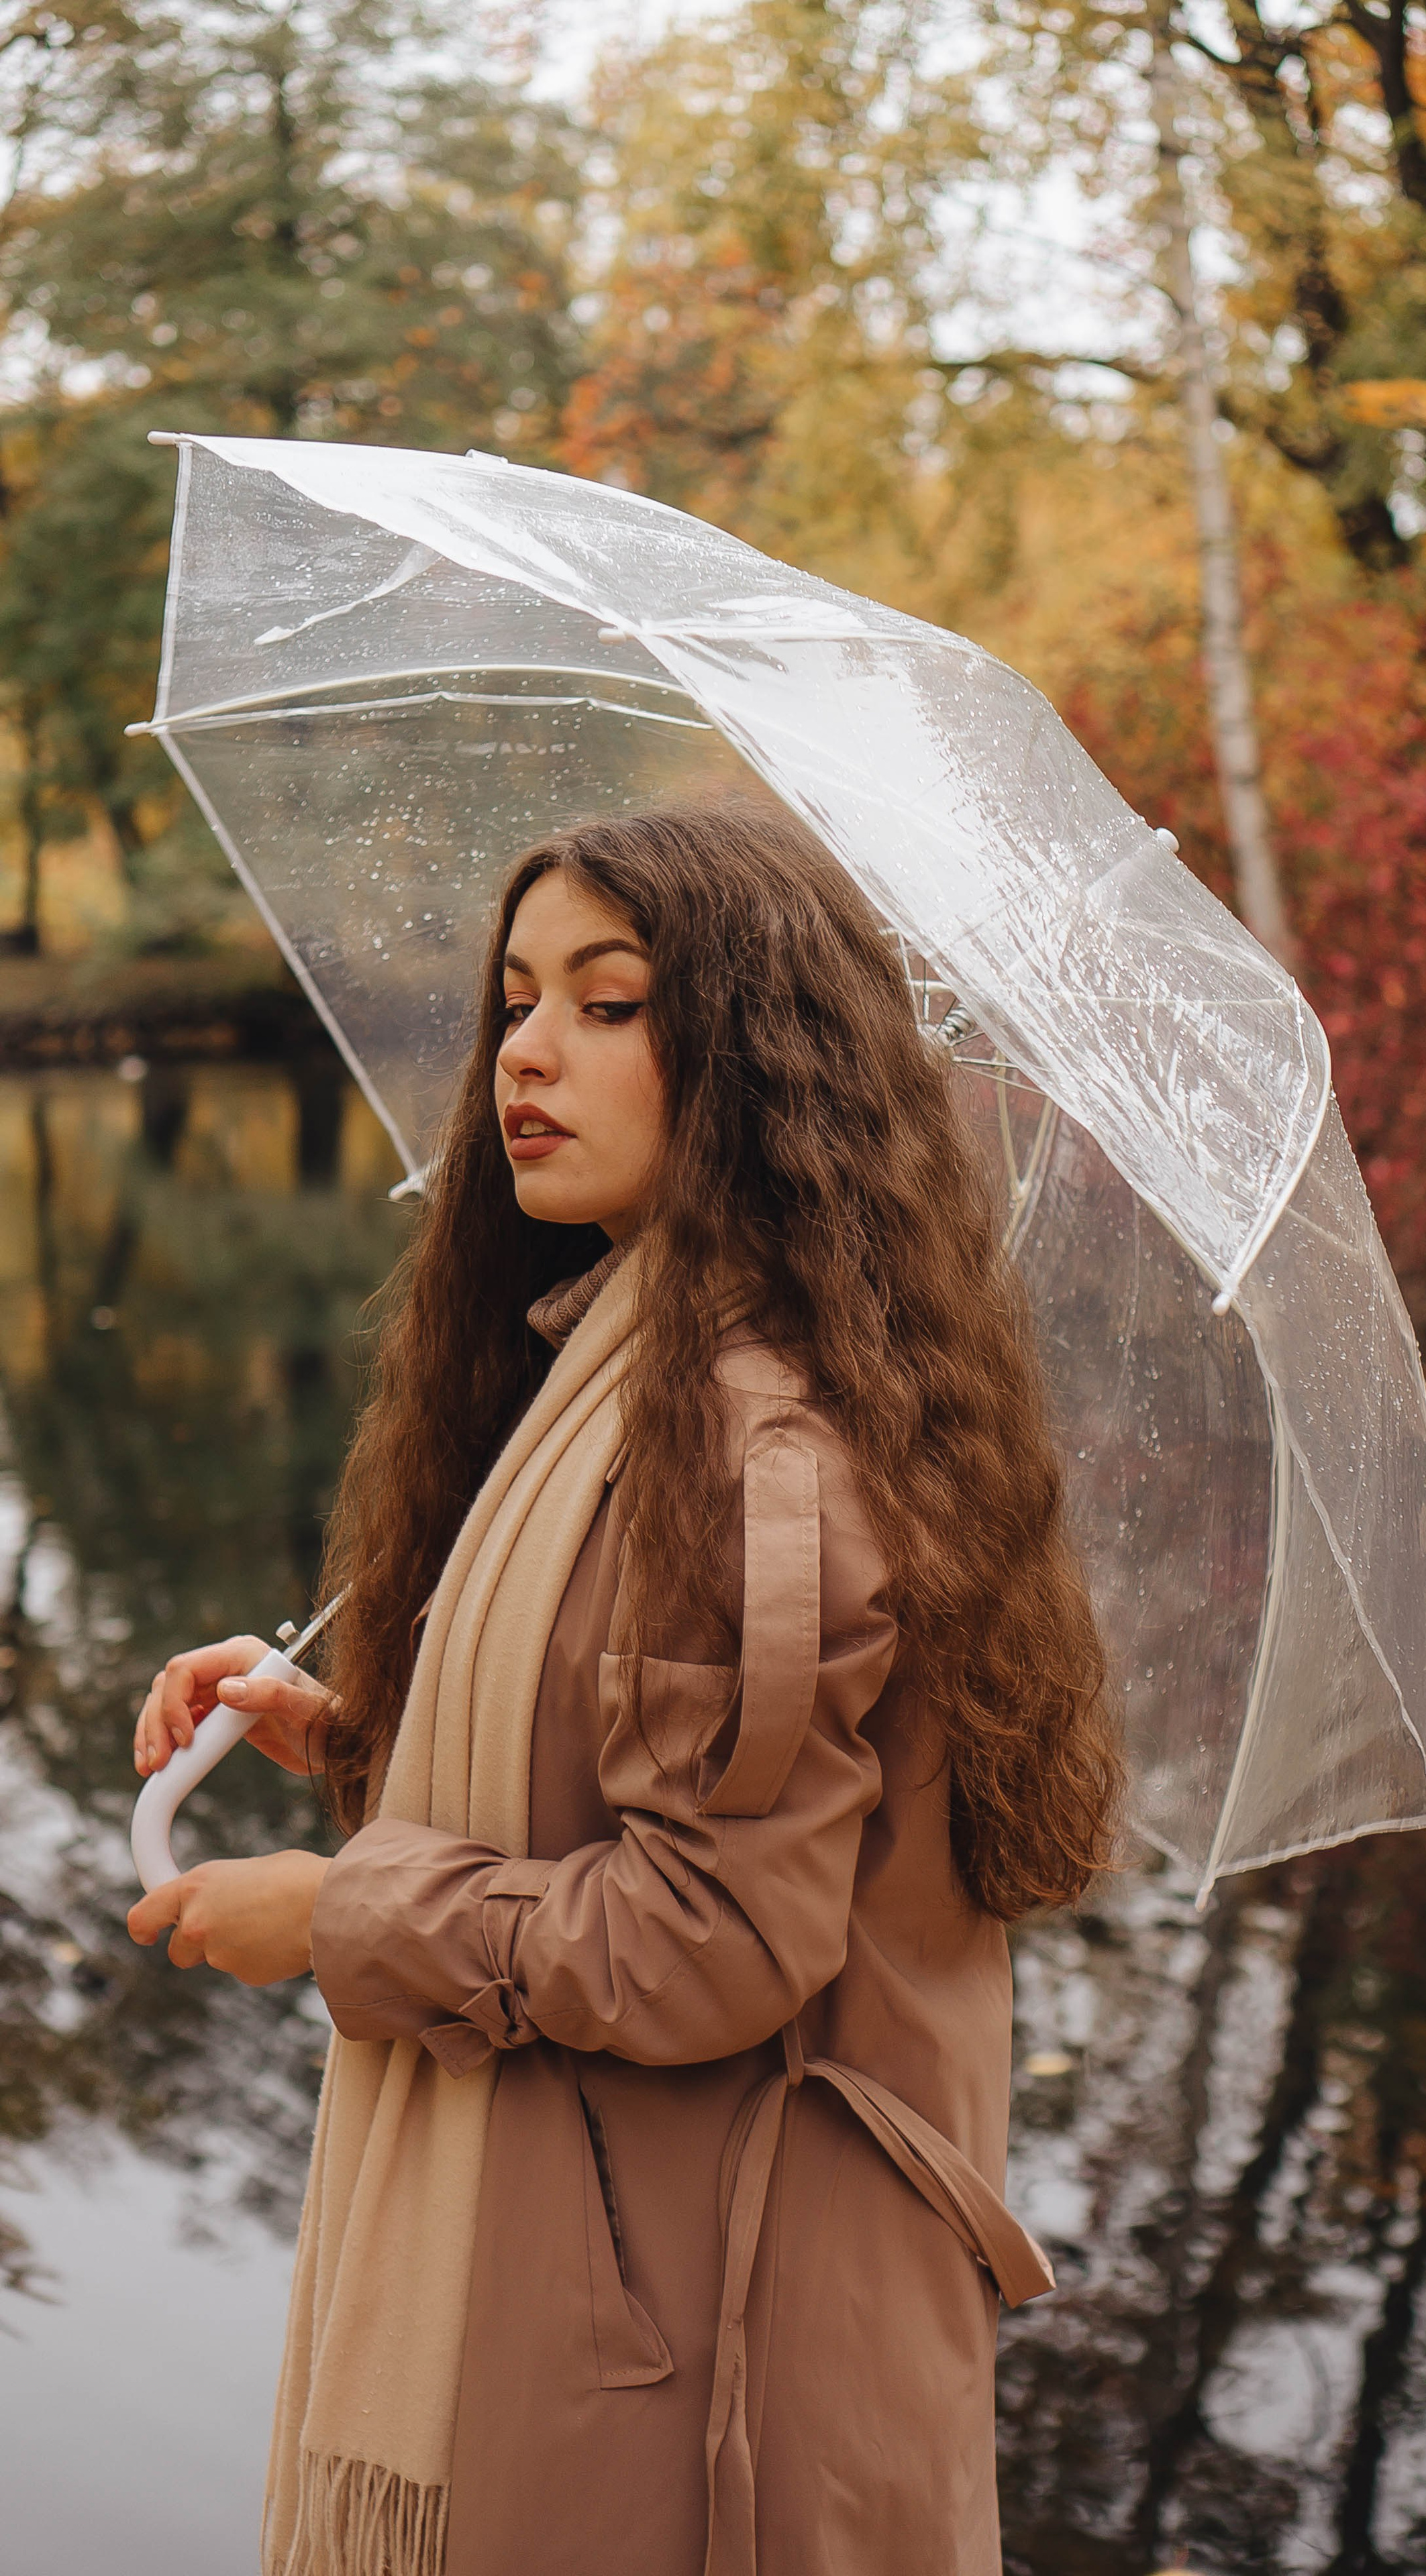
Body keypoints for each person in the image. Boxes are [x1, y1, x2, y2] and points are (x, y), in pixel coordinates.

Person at [128, 800, 1121, 2576]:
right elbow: (634, 1774)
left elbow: (708, 1939)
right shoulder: (634, 1364)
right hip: (659, 2292)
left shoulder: (752, 1448)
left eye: (607, 1001)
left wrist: (343, 1916)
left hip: (719, 2370)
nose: (524, 1047)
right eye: (517, 997)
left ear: (750, 1064)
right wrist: (362, 1736)